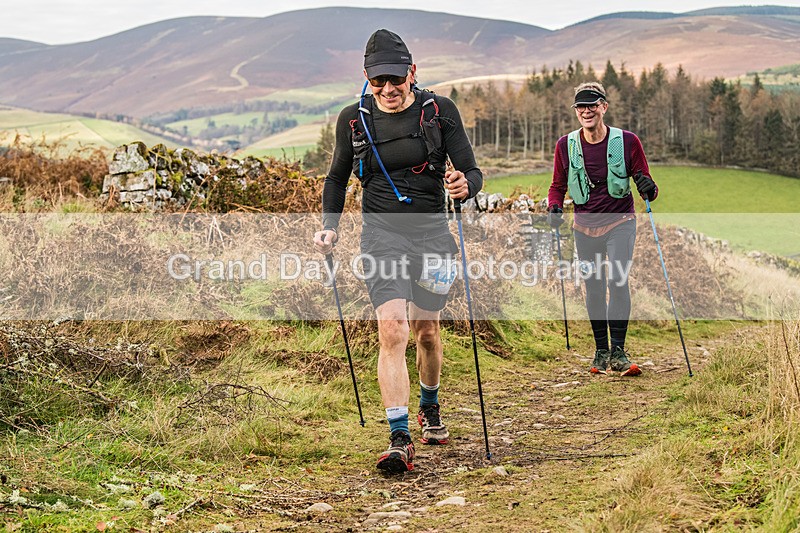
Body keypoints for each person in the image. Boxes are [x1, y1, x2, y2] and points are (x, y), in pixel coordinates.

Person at [313, 29, 482, 474]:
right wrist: (330, 226)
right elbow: (335, 178)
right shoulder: (354, 119)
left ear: (412, 72)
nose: (387, 89)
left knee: (427, 330)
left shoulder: (440, 111)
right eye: (377, 81)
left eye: (395, 79)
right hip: (380, 236)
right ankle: (399, 437)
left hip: (433, 236)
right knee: (393, 330)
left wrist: (466, 186)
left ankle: (430, 404)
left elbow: (471, 170)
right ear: (366, 78)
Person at [547, 81, 657, 377]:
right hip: (584, 226)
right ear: (576, 111)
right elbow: (557, 185)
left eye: (592, 105)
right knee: (594, 286)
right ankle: (601, 351)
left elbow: (646, 185)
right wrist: (554, 207)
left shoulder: (628, 141)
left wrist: (648, 187)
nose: (586, 111)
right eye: (581, 106)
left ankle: (619, 351)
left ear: (604, 107)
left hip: (621, 221)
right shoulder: (565, 145)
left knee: (618, 280)